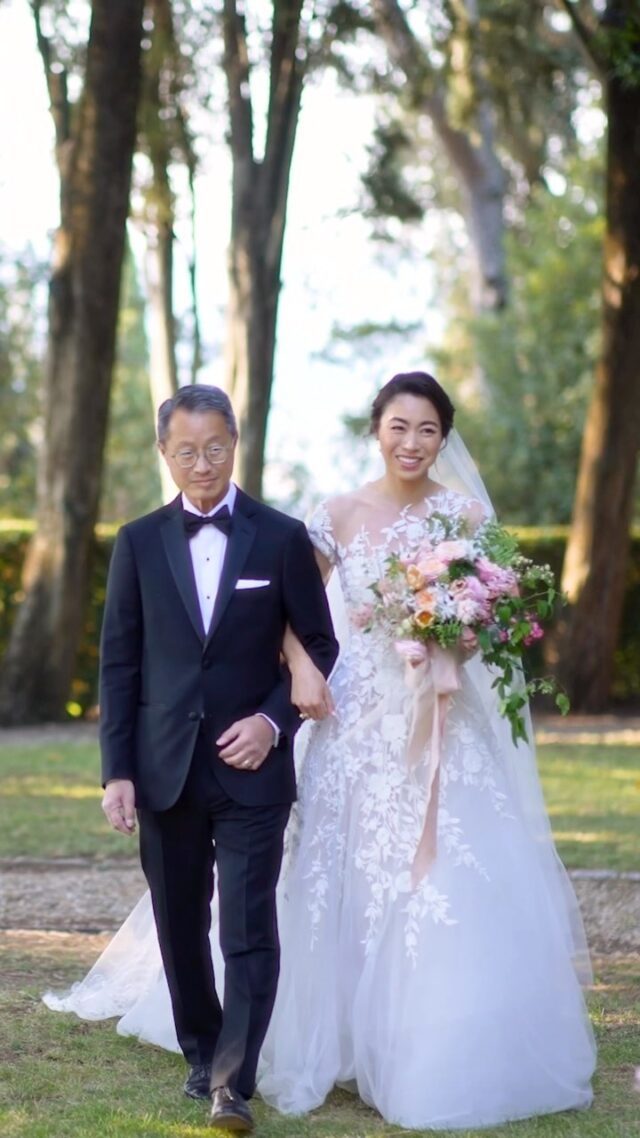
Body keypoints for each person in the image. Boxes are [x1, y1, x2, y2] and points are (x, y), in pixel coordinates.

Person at [46, 372, 596, 1130]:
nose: (412, 441)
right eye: (399, 425)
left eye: (428, 428)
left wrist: (459, 637)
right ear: (376, 429)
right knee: (327, 873)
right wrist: (303, 669)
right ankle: (247, 1046)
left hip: (432, 714)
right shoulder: (326, 516)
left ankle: (420, 1039)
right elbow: (286, 618)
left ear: (444, 436)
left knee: (434, 875)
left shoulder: (466, 516)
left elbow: (485, 617)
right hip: (350, 713)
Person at [85, 383, 338, 1132]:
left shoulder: (281, 536)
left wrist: (271, 721)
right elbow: (119, 666)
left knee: (249, 926)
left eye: (216, 448)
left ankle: (233, 1081)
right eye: (187, 451)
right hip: (164, 768)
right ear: (165, 453)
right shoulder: (136, 542)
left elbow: (317, 648)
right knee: (178, 923)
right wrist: (118, 771)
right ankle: (202, 1048)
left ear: (236, 444)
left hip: (254, 771)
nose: (203, 464)